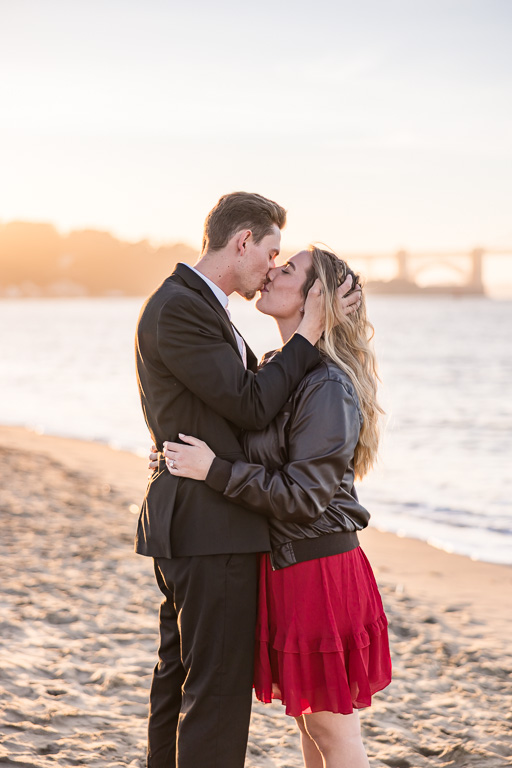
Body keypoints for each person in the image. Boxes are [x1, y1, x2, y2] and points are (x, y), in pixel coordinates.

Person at [135, 193, 361, 768]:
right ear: (243, 243)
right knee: (213, 692)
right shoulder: (182, 307)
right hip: (209, 527)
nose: (271, 269)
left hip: (211, 524)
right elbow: (250, 405)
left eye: (285, 264)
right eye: (272, 253)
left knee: (185, 680)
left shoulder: (204, 310)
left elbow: (252, 417)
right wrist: (310, 331)